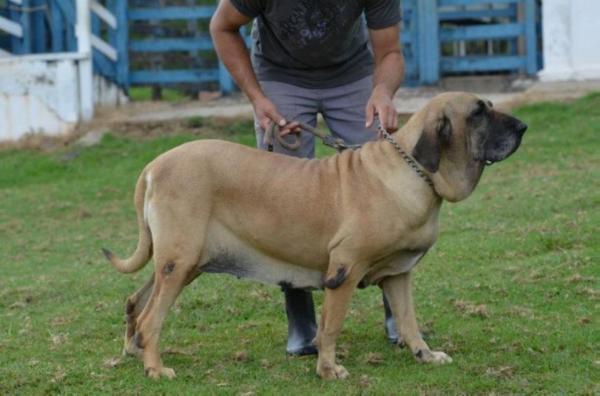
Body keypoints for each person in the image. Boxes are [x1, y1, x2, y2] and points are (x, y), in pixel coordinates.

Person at [210, 0, 405, 355]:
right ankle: (301, 320)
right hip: (280, 77)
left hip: (353, 75)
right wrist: (257, 98)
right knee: (286, 198)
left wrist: (382, 91)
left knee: (383, 187)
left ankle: (397, 313)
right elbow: (222, 27)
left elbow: (390, 51)